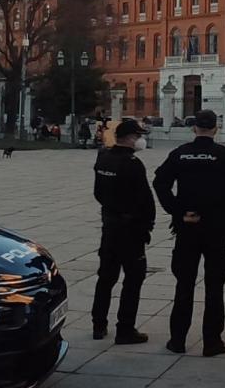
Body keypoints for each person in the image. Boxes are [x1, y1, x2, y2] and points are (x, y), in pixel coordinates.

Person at [153, 109, 225, 356]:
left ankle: (177, 340)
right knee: (214, 285)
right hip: (217, 229)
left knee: (184, 284)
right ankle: (212, 342)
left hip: (187, 226)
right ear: (216, 129)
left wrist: (177, 211)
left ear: (194, 128)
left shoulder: (180, 154)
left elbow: (160, 183)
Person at [91, 119, 154, 344]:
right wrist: (146, 226)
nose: (140, 140)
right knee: (133, 279)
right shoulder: (132, 163)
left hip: (109, 226)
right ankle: (125, 328)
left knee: (106, 277)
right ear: (129, 137)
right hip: (130, 230)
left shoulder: (103, 158)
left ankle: (98, 324)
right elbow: (145, 199)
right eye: (137, 136)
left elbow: (98, 193)